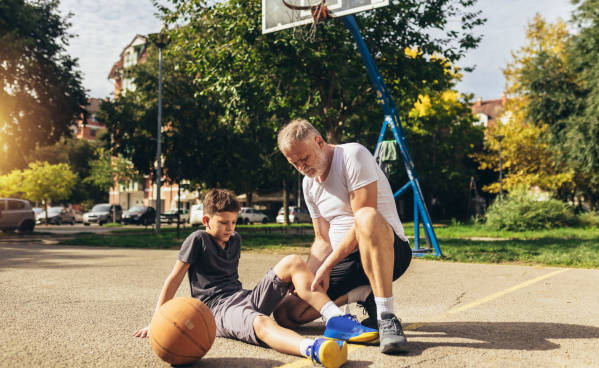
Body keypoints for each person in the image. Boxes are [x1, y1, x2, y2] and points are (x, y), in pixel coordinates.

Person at [134, 188, 377, 368]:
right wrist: (157, 319)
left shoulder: (235, 239)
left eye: (233, 222)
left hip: (244, 296)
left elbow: (233, 280)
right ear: (206, 220)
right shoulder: (198, 240)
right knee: (260, 322)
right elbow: (174, 279)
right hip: (217, 310)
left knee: (293, 261)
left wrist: (288, 285)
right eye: (223, 223)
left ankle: (335, 319)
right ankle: (313, 349)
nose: (230, 228)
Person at [275, 119, 412, 354]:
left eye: (304, 158)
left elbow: (363, 222)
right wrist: (309, 278)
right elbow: (322, 239)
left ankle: (386, 316)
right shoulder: (309, 185)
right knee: (286, 313)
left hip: (388, 251)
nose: (302, 167)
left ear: (319, 142)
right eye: (294, 163)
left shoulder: (352, 155)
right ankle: (362, 294)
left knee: (366, 217)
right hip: (345, 262)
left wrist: (328, 265)